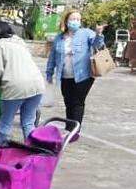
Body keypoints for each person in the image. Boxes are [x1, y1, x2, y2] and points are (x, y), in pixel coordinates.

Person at [45, 9, 105, 140]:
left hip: (83, 76)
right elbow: (53, 57)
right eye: (73, 19)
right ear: (66, 21)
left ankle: (75, 132)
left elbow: (97, 44)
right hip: (64, 76)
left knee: (77, 102)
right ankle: (69, 128)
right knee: (68, 102)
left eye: (78, 19)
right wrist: (49, 73)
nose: (75, 21)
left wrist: (99, 34)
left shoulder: (86, 33)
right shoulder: (59, 38)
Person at [0, 21, 45, 143]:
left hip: (15, 87)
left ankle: (3, 152)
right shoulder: (20, 43)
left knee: (5, 122)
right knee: (28, 122)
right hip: (37, 85)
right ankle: (31, 151)